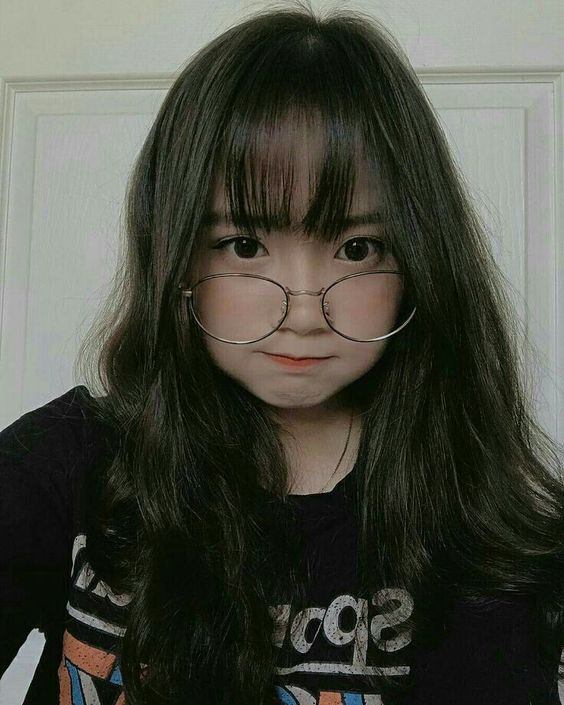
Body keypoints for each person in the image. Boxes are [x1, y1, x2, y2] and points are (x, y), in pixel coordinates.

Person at [1, 2, 564, 704]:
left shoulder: (477, 535)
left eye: (356, 248)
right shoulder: (67, 466)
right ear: (179, 257)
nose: (302, 310)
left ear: (420, 264)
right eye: (245, 245)